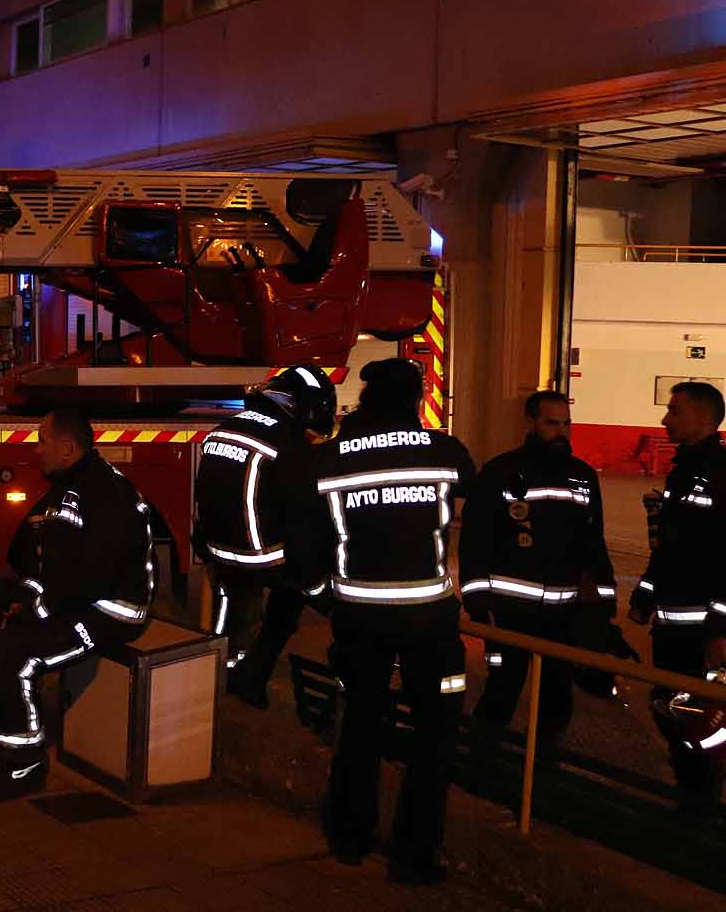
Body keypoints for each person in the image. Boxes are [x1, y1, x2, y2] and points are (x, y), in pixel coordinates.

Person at [296, 357, 475, 885]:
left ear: (365, 400)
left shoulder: (328, 460)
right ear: (416, 400)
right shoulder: (445, 450)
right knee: (435, 738)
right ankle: (416, 855)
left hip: (359, 621)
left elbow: (304, 544)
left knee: (359, 727)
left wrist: (323, 598)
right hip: (431, 623)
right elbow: (474, 489)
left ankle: (349, 837)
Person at [0, 408, 154, 802]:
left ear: (67, 447)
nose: (35, 448)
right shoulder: (63, 488)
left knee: (13, 653)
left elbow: (95, 577)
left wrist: (33, 609)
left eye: (41, 439)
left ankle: (25, 763)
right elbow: (32, 556)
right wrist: (14, 598)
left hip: (109, 613)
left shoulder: (107, 494)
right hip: (71, 602)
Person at [459, 390, 612, 744]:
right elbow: (476, 542)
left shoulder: (583, 476)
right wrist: (479, 605)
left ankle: (543, 767)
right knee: (501, 691)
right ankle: (484, 760)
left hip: (564, 614)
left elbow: (594, 543)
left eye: (566, 424)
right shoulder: (500, 472)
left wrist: (602, 607)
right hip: (510, 613)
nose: (562, 431)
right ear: (530, 422)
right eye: (552, 423)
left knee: (557, 697)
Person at [194, 365, 337, 709]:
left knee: (232, 612)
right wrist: (318, 588)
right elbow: (303, 521)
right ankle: (251, 678)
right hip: (261, 559)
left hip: (216, 550)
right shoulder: (289, 446)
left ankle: (218, 671)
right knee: (289, 602)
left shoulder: (223, 430)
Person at [629, 380, 726, 813]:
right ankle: (693, 792)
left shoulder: (720, 473)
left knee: (698, 718)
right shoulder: (684, 471)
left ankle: (701, 801)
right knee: (669, 707)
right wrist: (646, 595)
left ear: (704, 418)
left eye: (675, 411)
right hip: (671, 622)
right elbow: (669, 547)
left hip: (702, 629)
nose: (665, 419)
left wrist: (720, 630)